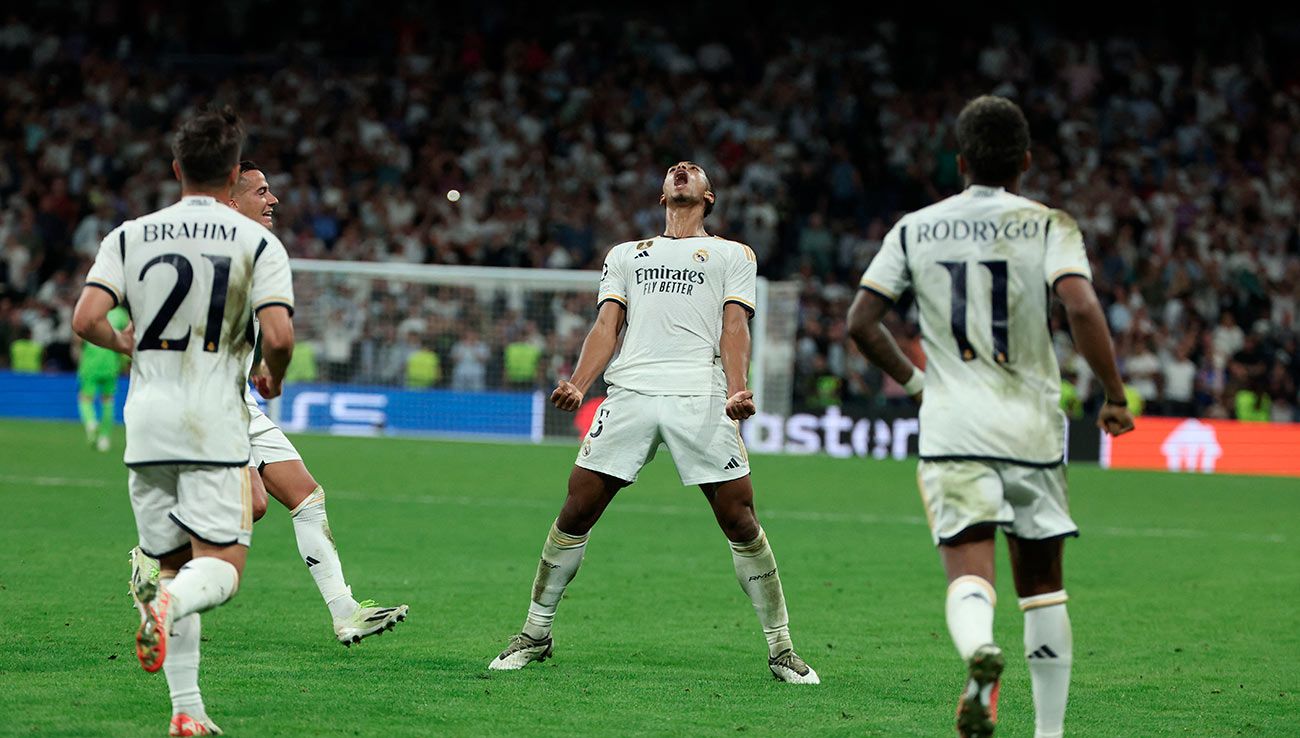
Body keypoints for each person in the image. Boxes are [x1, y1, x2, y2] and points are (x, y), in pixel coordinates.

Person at [847, 96, 1135, 738]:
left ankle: (979, 649)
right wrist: (1113, 394)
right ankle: (1050, 732)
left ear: (960, 161)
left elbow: (861, 322)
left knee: (968, 569)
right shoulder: (1048, 223)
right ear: (1026, 162)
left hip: (953, 427)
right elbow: (1082, 307)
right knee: (1043, 588)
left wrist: (918, 383)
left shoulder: (915, 227)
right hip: (1031, 427)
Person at [489, 161, 818, 684]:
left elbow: (735, 326)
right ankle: (535, 632)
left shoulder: (734, 255)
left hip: (701, 394)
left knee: (740, 519)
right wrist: (578, 382)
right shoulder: (626, 254)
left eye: (693, 171)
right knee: (576, 510)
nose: (681, 170)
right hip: (632, 392)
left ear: (708, 196)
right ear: (663, 194)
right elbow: (606, 325)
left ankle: (781, 648)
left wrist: (737, 387)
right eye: (673, 170)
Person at [72, 107, 295, 737]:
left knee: (172, 564)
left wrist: (128, 345)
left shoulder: (129, 235)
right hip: (212, 420)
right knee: (218, 570)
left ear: (176, 169)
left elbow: (85, 320)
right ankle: (165, 608)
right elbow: (277, 333)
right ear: (232, 174)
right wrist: (272, 373)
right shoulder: (257, 243)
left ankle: (187, 712)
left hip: (145, 421)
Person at [131, 160, 409, 648]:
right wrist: (269, 371)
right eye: (261, 191)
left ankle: (345, 612)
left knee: (305, 495)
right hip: (207, 402)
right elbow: (274, 336)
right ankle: (155, 559)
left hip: (238, 398)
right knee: (252, 507)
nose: (273, 200)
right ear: (232, 200)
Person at [74, 304, 129, 451]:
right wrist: (124, 362)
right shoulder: (121, 315)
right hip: (111, 363)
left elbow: (78, 337)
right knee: (108, 400)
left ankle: (91, 423)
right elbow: (127, 338)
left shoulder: (91, 308)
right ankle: (104, 438)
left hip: (90, 363)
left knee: (85, 398)